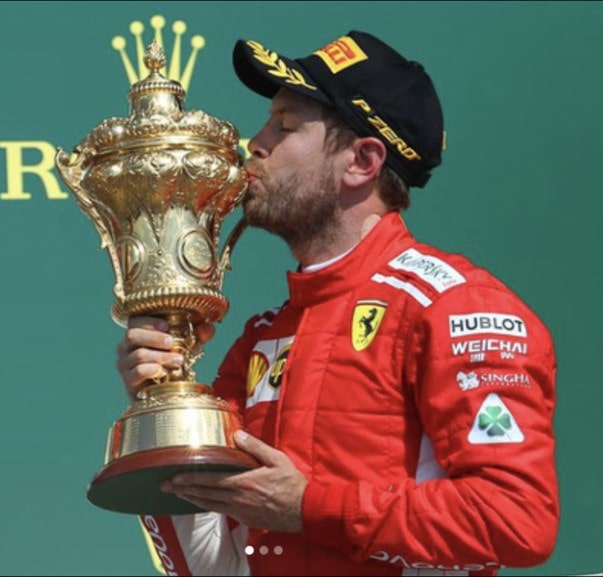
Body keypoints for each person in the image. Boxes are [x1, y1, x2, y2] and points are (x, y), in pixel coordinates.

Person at [117, 30, 559, 576]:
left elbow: (517, 521)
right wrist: (162, 410)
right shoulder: (261, 336)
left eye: (285, 126)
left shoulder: (451, 307)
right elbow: (213, 564)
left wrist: (309, 507)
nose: (254, 145)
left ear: (362, 161)